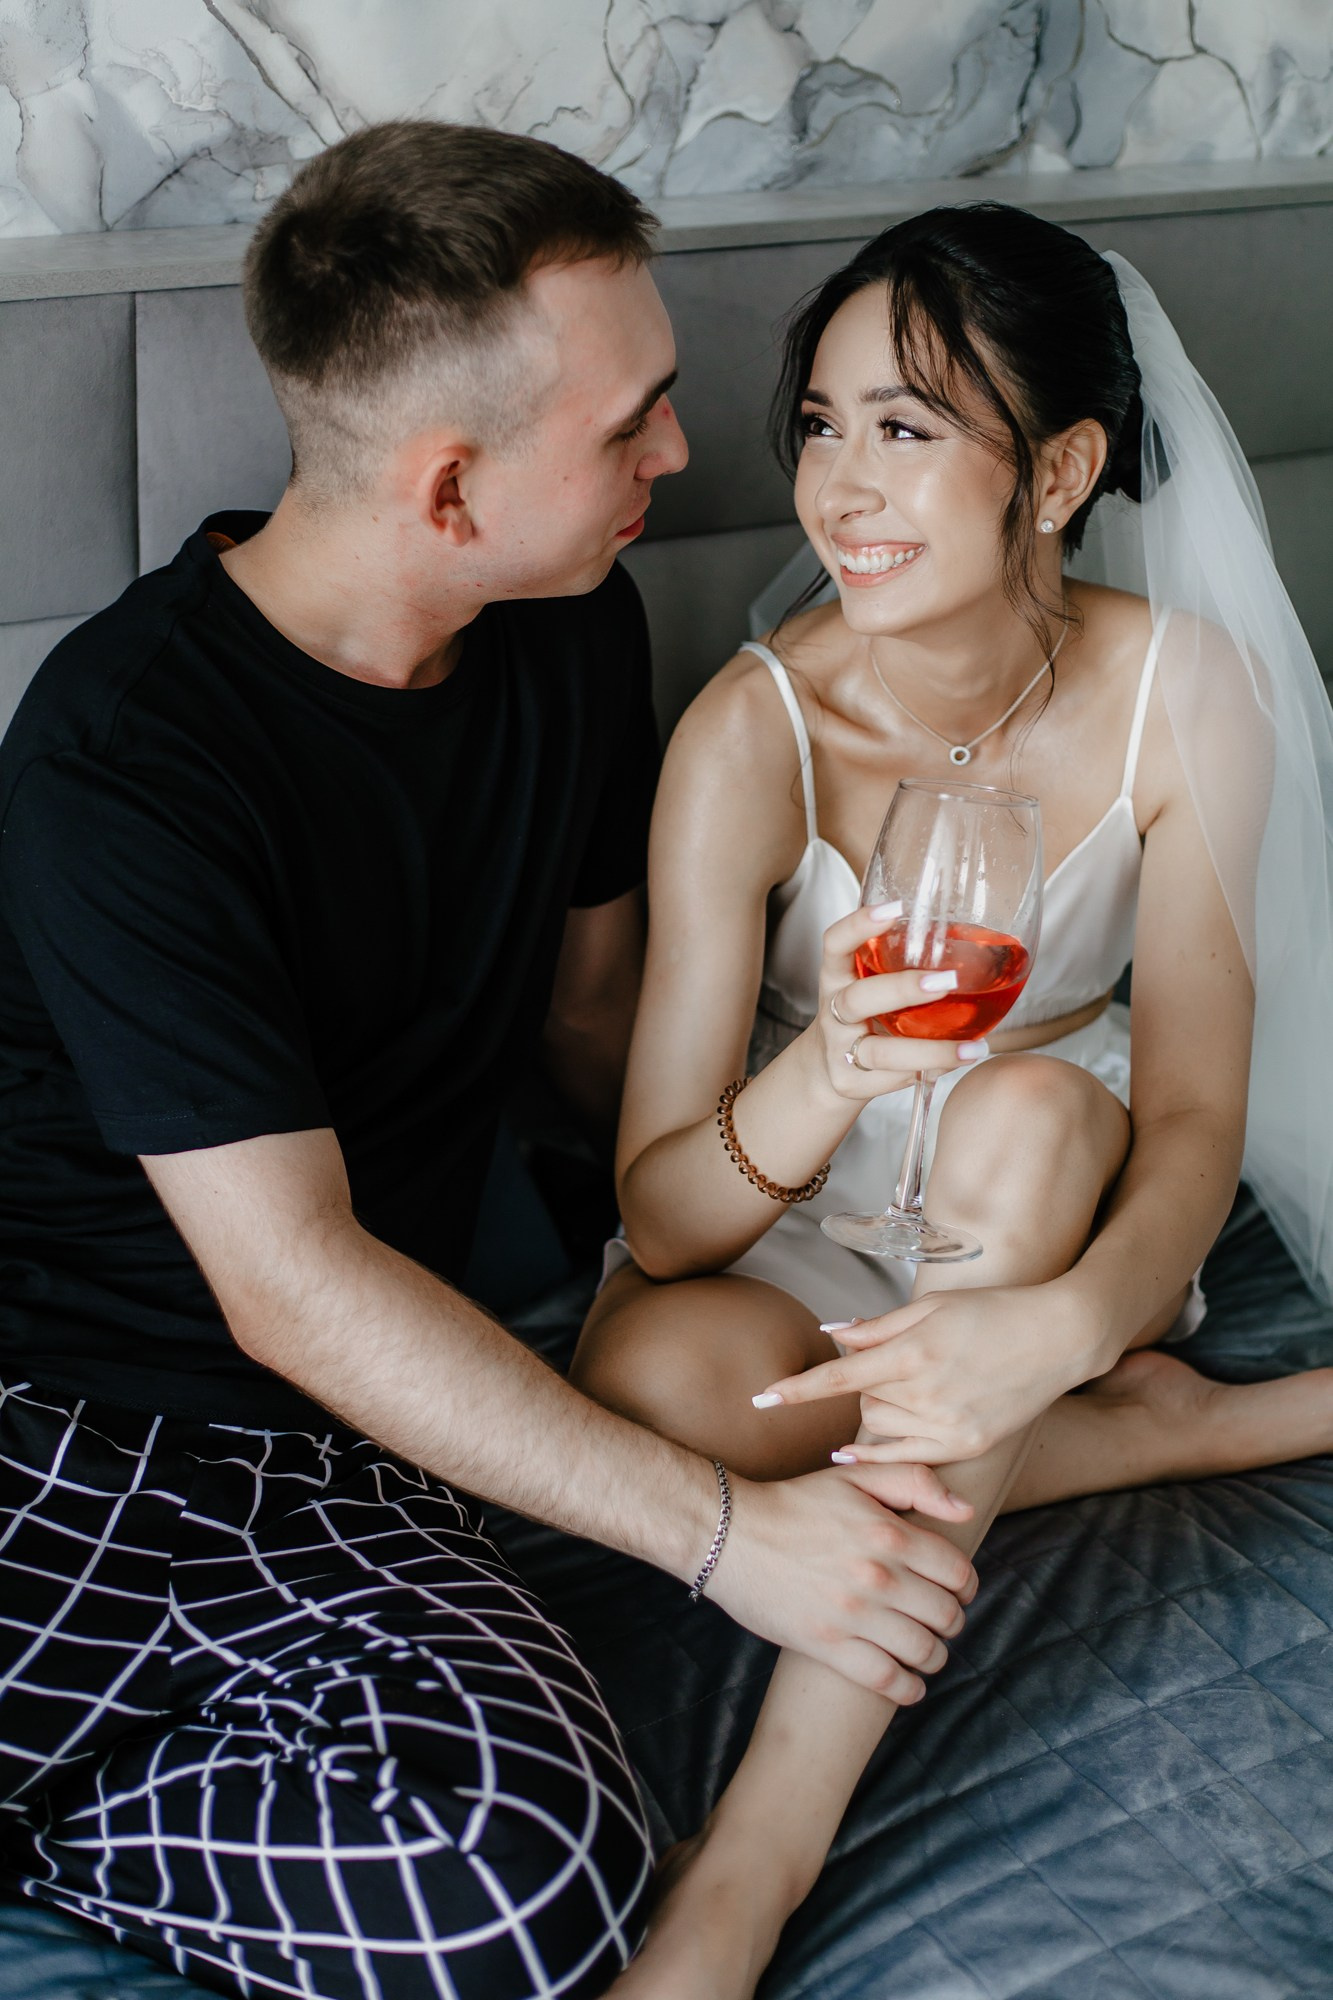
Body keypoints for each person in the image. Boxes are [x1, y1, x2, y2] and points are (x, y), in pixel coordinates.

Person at [0, 125, 982, 2000]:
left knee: (525, 1892)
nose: (677, 454)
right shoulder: (125, 762)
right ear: (449, 487)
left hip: (348, 1443)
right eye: (631, 424)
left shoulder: (568, 633)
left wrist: (830, 1234)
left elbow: (596, 1027)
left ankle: (92, 1785)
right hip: (48, 1415)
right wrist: (727, 1540)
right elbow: (289, 1284)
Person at [570, 204, 1333, 1997]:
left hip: (1047, 1197)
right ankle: (1149, 1433)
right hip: (802, 1196)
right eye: (819, 426)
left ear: (1057, 471)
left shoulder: (1182, 696)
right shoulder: (750, 735)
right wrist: (834, 1060)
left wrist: (1066, 1319)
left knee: (1024, 1117)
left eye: (905, 429)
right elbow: (663, 1218)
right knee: (646, 1387)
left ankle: (753, 1862)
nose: (840, 489)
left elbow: (1194, 1118)